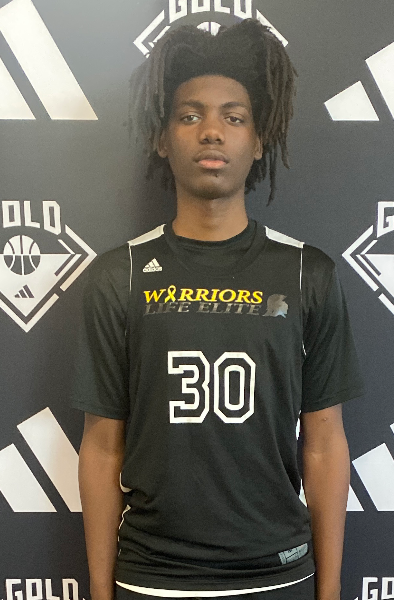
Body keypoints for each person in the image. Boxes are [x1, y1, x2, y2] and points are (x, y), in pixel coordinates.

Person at [72, 19, 363, 600]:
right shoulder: (117, 276)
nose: (211, 131)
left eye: (234, 117)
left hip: (277, 572)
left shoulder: (307, 274)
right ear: (162, 138)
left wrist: (329, 591)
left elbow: (325, 442)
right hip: (154, 577)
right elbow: (102, 448)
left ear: (259, 140)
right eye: (189, 116)